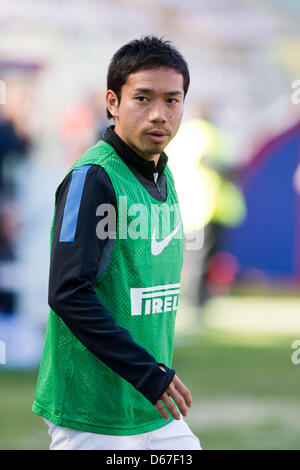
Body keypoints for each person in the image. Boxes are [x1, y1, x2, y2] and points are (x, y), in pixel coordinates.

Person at [32, 35, 202, 450]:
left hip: (149, 404)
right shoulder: (92, 178)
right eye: (142, 98)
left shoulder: (164, 172)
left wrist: (150, 376)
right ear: (112, 102)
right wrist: (147, 372)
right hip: (94, 410)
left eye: (172, 100)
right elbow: (69, 292)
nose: (159, 114)